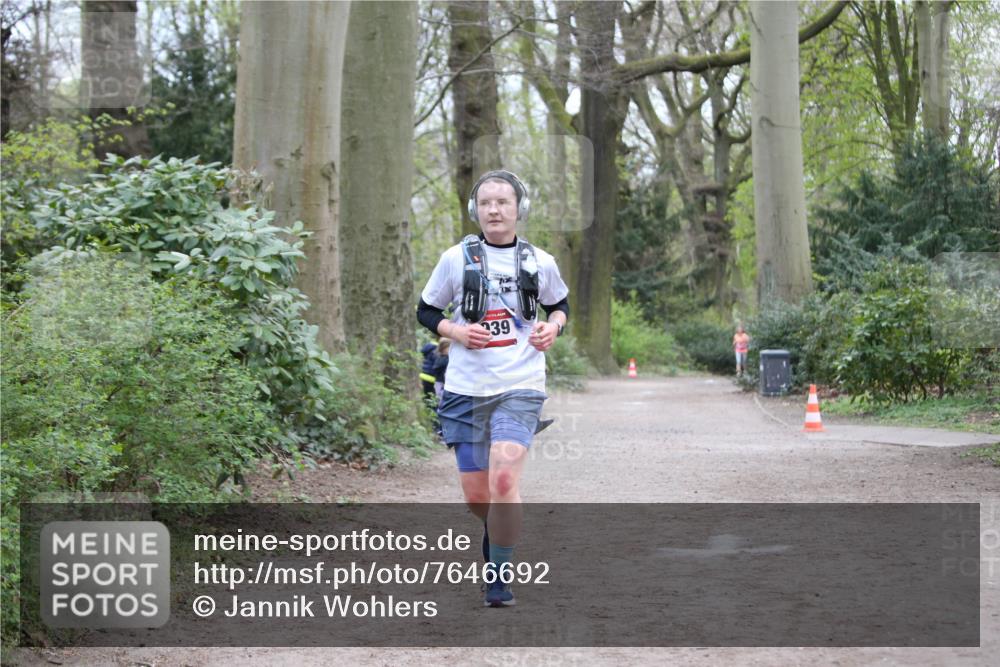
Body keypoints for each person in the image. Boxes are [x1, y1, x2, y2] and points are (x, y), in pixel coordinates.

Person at [416, 170, 569, 607]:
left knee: (504, 479)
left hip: (520, 384)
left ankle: (499, 576)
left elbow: (560, 304)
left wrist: (552, 327)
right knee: (478, 496)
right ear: (475, 210)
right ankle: (498, 528)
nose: (494, 210)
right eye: (486, 203)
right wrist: (456, 332)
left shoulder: (540, 261)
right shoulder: (455, 259)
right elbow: (426, 310)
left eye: (503, 201)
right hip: (465, 388)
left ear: (519, 208)